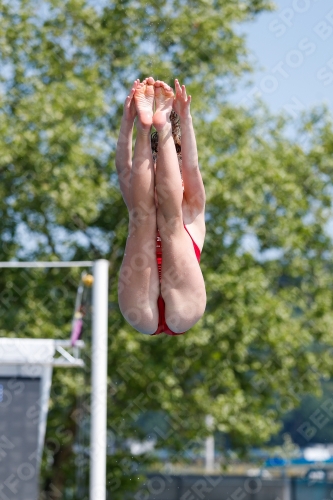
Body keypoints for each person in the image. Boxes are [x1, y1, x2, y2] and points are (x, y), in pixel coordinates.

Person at [116, 77, 206, 335]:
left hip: (143, 307)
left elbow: (125, 168)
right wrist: (182, 117)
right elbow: (189, 165)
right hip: (180, 309)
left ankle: (153, 127)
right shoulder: (193, 207)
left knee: (145, 219)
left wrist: (128, 121)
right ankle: (157, 125)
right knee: (158, 220)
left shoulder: (190, 202)